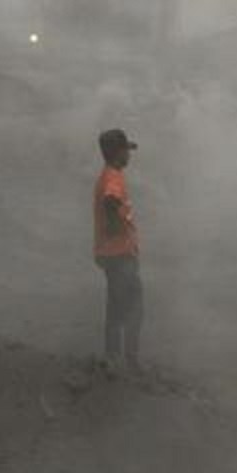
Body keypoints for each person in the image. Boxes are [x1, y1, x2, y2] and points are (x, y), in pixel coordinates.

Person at [93, 128, 142, 369]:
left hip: (112, 253)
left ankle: (113, 356)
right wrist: (117, 230)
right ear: (117, 153)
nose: (129, 155)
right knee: (133, 307)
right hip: (119, 254)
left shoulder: (108, 174)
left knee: (116, 306)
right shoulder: (113, 177)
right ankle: (128, 360)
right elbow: (110, 201)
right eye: (126, 150)